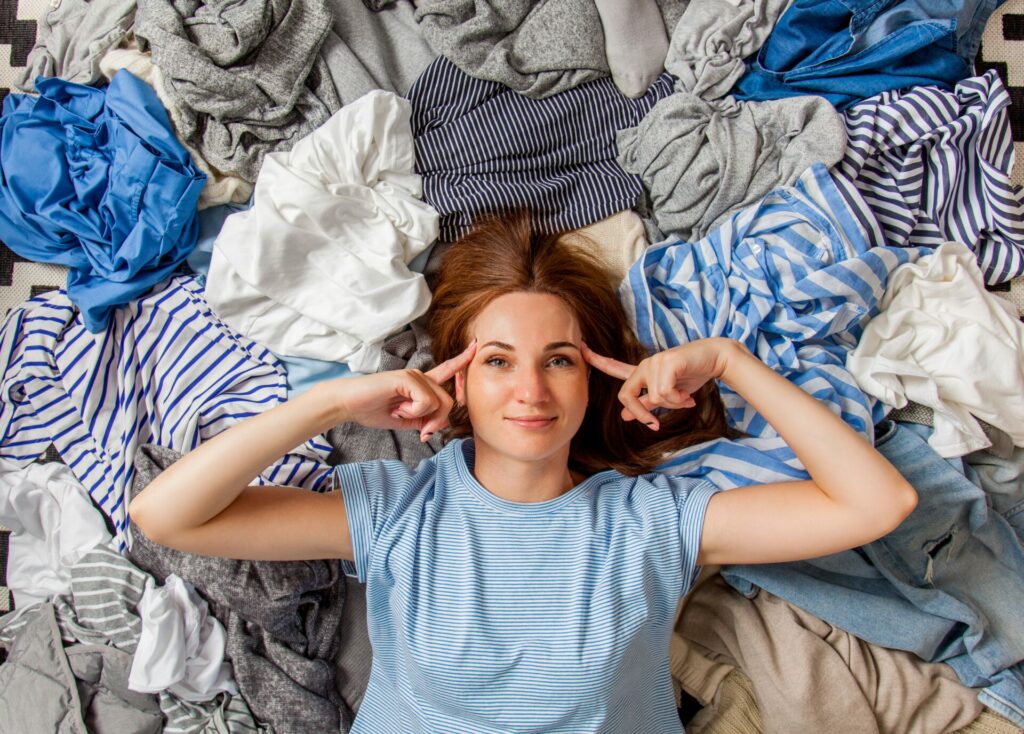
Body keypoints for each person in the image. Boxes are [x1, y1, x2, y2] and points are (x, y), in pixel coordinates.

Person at [129, 211, 918, 733]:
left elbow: (878, 502)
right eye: (499, 361)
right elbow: (167, 518)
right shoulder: (399, 509)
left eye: (561, 361)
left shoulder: (652, 519)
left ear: (594, 380)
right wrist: (332, 401)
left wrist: (731, 363)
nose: (532, 391)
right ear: (456, 379)